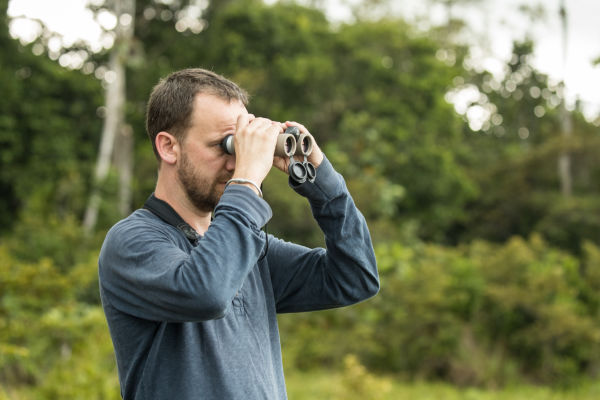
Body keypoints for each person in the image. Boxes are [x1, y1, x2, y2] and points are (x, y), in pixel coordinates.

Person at [98, 67, 379, 400]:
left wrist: (320, 180)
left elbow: (355, 277)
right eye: (225, 146)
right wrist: (246, 180)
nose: (235, 162)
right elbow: (206, 292)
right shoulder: (132, 242)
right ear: (168, 147)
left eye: (240, 147)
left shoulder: (251, 249)